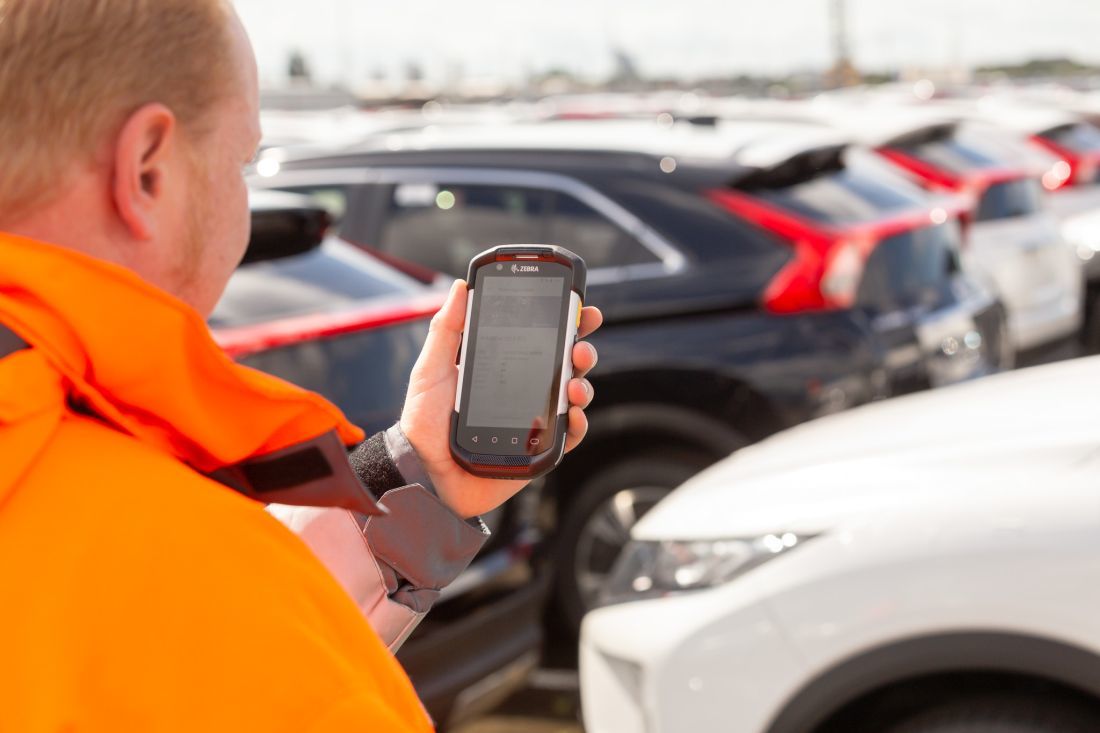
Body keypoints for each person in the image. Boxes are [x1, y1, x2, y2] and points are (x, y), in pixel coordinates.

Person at [0, 1, 602, 730]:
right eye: (240, 162)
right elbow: (236, 637)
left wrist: (425, 480)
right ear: (148, 170)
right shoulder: (198, 569)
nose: (244, 201)